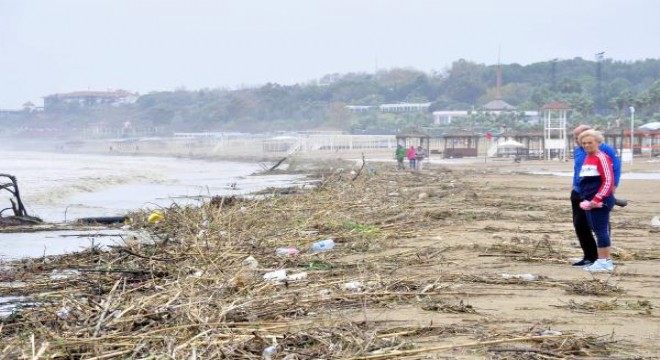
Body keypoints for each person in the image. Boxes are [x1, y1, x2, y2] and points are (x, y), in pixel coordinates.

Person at [570, 125, 622, 267]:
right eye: (578, 139)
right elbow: (578, 171)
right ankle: (590, 256)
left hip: (598, 196)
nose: (581, 142)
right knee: (580, 224)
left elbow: (613, 171)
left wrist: (610, 190)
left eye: (584, 139)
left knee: (600, 228)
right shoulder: (582, 153)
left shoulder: (603, 152)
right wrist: (575, 186)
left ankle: (603, 259)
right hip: (581, 193)